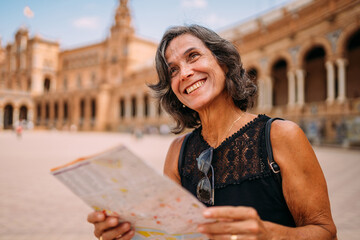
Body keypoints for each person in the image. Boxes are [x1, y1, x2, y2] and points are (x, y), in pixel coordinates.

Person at [87, 24, 337, 240]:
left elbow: (325, 232)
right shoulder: (178, 151)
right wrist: (129, 233)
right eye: (173, 70)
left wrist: (271, 235)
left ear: (224, 62)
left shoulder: (280, 136)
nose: (184, 73)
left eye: (193, 56)